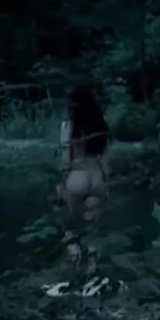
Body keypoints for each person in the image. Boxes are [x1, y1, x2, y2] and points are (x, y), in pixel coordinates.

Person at [56, 85, 110, 272]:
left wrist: (61, 186)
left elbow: (66, 160)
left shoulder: (67, 126)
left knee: (71, 227)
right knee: (92, 226)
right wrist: (106, 185)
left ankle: (76, 263)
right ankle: (92, 269)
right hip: (96, 177)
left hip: (76, 177)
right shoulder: (101, 125)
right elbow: (105, 162)